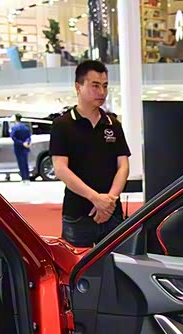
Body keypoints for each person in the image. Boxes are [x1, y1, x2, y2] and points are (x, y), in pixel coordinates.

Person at [49, 60, 131, 247]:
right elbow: (61, 169)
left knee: (116, 263)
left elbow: (123, 166)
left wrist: (109, 202)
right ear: (78, 87)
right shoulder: (63, 125)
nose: (102, 92)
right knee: (77, 264)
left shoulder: (113, 124)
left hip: (112, 213)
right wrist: (95, 198)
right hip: (78, 213)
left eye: (105, 86)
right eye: (95, 86)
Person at [10, 114, 32, 184]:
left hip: (18, 148)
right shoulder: (25, 127)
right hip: (25, 148)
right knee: (25, 163)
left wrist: (21, 143)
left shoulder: (14, 128)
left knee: (21, 163)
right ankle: (27, 178)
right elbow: (29, 137)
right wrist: (26, 142)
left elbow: (13, 137)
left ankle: (24, 178)